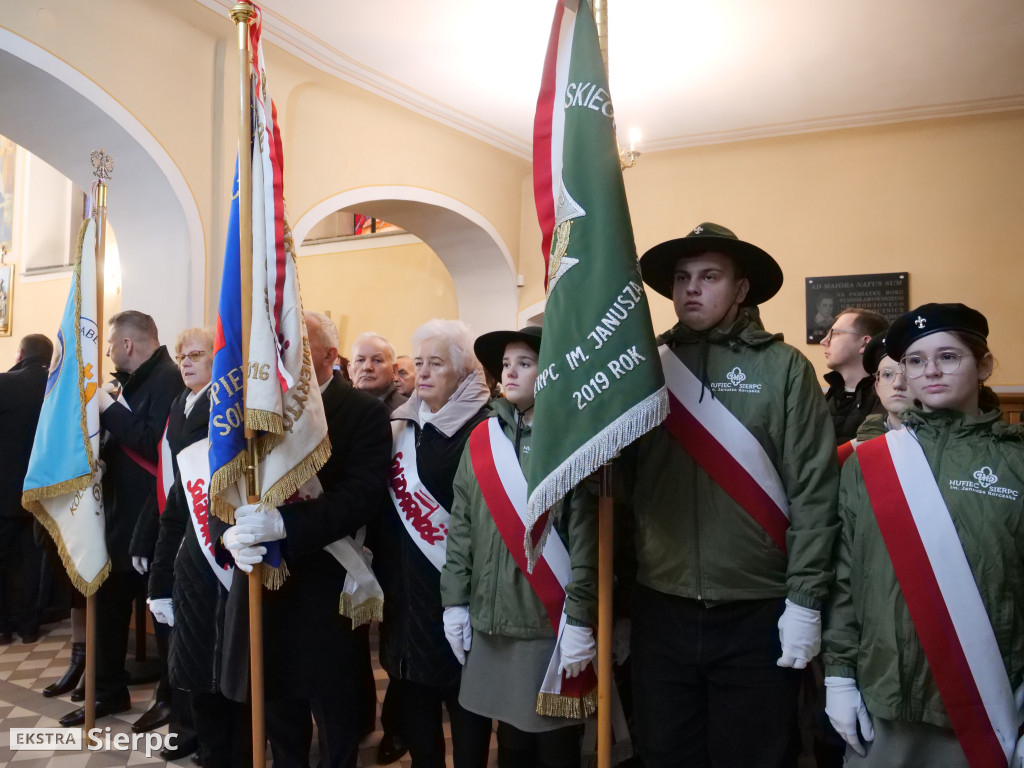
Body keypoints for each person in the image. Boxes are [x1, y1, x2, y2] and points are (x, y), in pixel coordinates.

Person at [624, 223, 839, 767]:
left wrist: (805, 601)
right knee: (664, 752)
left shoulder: (785, 368)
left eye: (710, 276)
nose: (691, 289)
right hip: (661, 602)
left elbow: (814, 493)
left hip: (757, 608)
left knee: (754, 756)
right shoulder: (646, 366)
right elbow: (619, 490)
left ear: (742, 289)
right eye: (682, 278)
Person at [823, 303, 1023, 767]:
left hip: (988, 709)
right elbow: (846, 580)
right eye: (915, 360)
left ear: (984, 365)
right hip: (884, 707)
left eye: (948, 356)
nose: (930, 370)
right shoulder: (869, 465)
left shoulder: (1016, 464)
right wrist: (838, 676)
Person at [220, 311, 392, 768]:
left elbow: (362, 495)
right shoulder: (259, 411)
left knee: (335, 714)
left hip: (327, 583)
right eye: (278, 345)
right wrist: (231, 532)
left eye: (294, 345)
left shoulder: (362, 413)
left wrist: (286, 526)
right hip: (267, 575)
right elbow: (232, 480)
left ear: (329, 356)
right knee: (277, 708)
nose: (282, 355)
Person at [441, 326, 597, 768]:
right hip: (492, 622)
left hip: (546, 623)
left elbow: (586, 538)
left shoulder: (573, 440)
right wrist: (455, 602)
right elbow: (462, 527)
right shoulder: (481, 438)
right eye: (506, 364)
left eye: (524, 363)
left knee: (555, 744)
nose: (509, 372)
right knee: (510, 743)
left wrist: (582, 617)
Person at [371, 318, 494, 768]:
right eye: (418, 362)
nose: (422, 373)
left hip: (463, 594)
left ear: (463, 371)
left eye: (435, 363)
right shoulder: (402, 425)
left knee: (467, 707)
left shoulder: (487, 429)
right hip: (405, 594)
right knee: (415, 701)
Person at [60, 311, 184, 727]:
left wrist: (109, 407)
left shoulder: (167, 377)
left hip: (152, 519)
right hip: (120, 516)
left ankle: (170, 696)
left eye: (111, 344)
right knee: (108, 603)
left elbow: (154, 446)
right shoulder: (136, 381)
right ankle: (108, 691)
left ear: (128, 344)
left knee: (161, 609)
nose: (110, 352)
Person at [147, 327, 239, 765]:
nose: (185, 362)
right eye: (182, 355)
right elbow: (171, 484)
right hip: (184, 537)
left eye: (196, 355)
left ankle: (221, 744)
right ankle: (194, 733)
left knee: (218, 655)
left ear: (217, 360)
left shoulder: (226, 408)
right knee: (191, 654)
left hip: (216, 542)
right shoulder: (178, 405)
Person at [0, 334, 52, 645]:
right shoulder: (58, 386)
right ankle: (30, 625)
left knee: (3, 559)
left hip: (4, 490)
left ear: (20, 353)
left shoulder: (5, 383)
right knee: (34, 560)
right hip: (46, 491)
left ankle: (3, 627)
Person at [836, 333, 908, 465]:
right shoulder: (852, 453)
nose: (898, 383)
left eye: (907, 374)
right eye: (887, 374)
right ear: (877, 386)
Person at [820, 308, 889, 446]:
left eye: (834, 334)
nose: (824, 341)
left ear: (864, 343)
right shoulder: (824, 398)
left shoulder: (887, 399)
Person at [350, 332, 407, 412]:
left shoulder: (407, 412)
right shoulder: (335, 405)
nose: (367, 367)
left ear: (394, 370)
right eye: (360, 360)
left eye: (377, 360)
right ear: (349, 370)